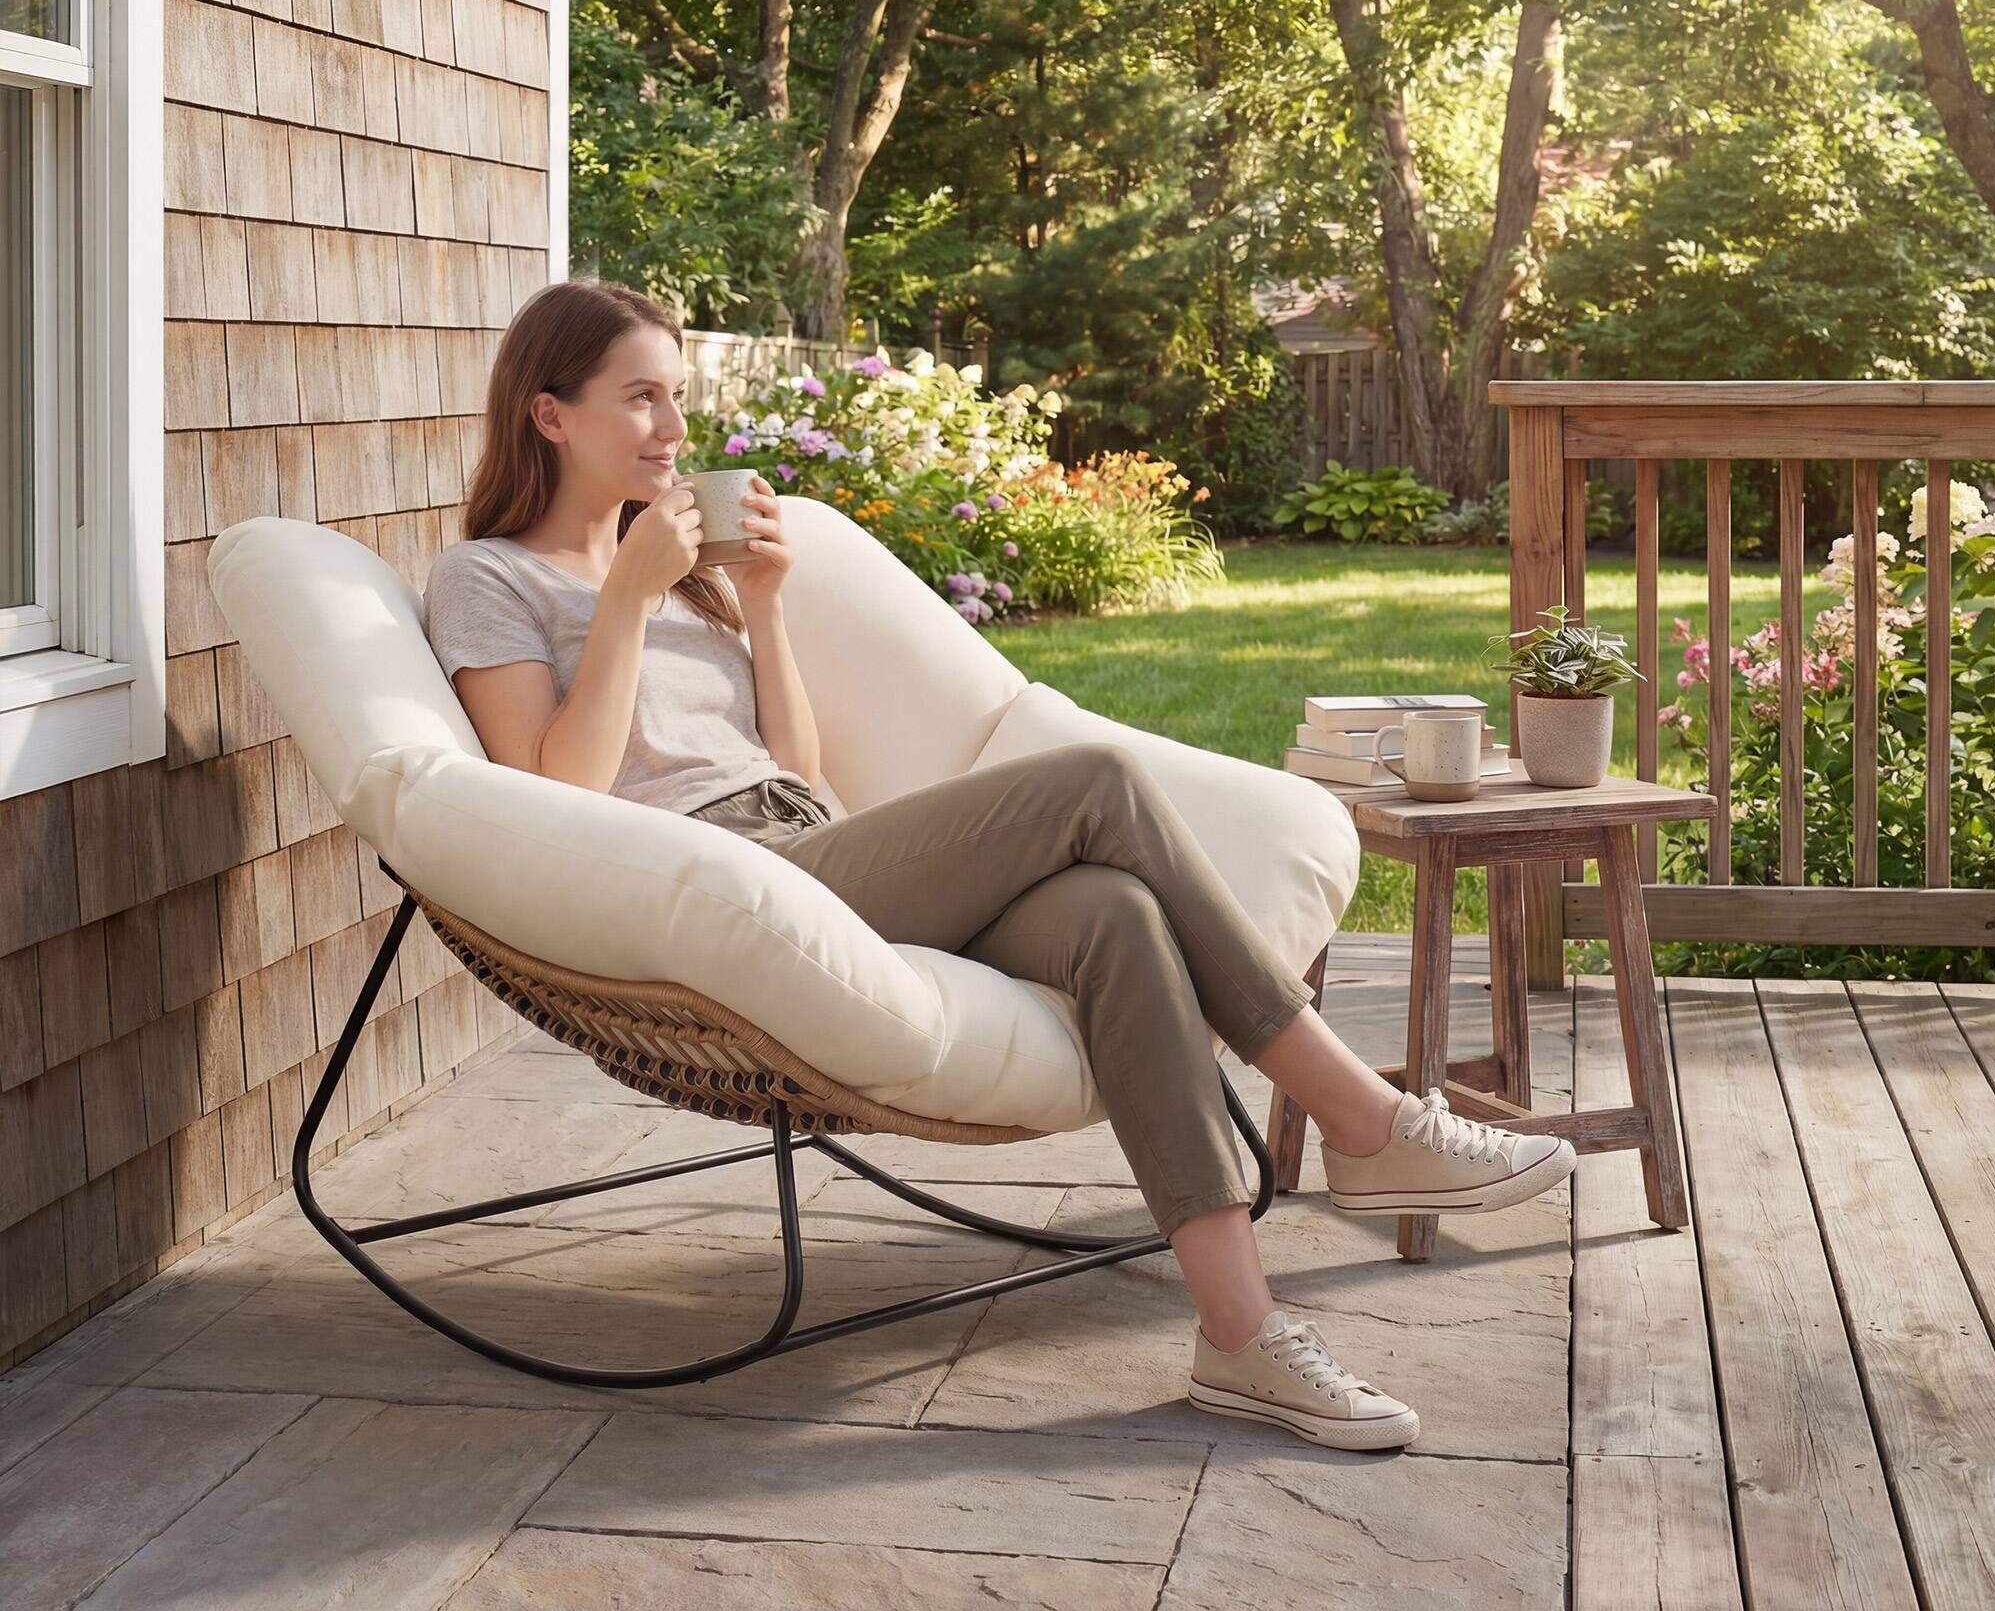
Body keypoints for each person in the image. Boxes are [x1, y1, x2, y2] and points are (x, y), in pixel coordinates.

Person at [420, 282, 1577, 1452]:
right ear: (549, 413)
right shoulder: (489, 580)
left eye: (677, 395)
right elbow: (553, 794)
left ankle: (1239, 1333)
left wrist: (760, 606)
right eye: (639, 398)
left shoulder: (688, 567)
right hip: (720, 881)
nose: (671, 427)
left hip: (809, 846)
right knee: (1094, 782)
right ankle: (1365, 1119)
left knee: (1114, 912)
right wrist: (623, 596)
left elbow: (795, 765)